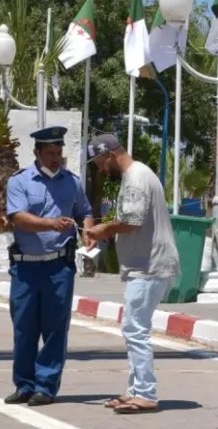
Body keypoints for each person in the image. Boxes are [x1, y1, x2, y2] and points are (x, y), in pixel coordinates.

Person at [84, 134, 179, 415]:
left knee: (135, 329)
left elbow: (131, 222)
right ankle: (136, 390)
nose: (101, 169)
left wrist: (104, 230)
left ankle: (146, 393)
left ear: (110, 155)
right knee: (132, 328)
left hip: (149, 267)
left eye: (100, 163)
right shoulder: (136, 175)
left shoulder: (136, 177)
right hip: (144, 266)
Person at [4, 126, 95, 407]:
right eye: (50, 153)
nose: (56, 158)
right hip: (26, 269)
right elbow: (18, 217)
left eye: (58, 153)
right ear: (37, 153)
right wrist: (51, 223)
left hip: (58, 268)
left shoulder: (73, 182)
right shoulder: (19, 181)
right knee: (24, 329)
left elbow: (85, 212)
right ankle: (24, 384)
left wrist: (88, 232)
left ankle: (46, 386)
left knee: (55, 329)